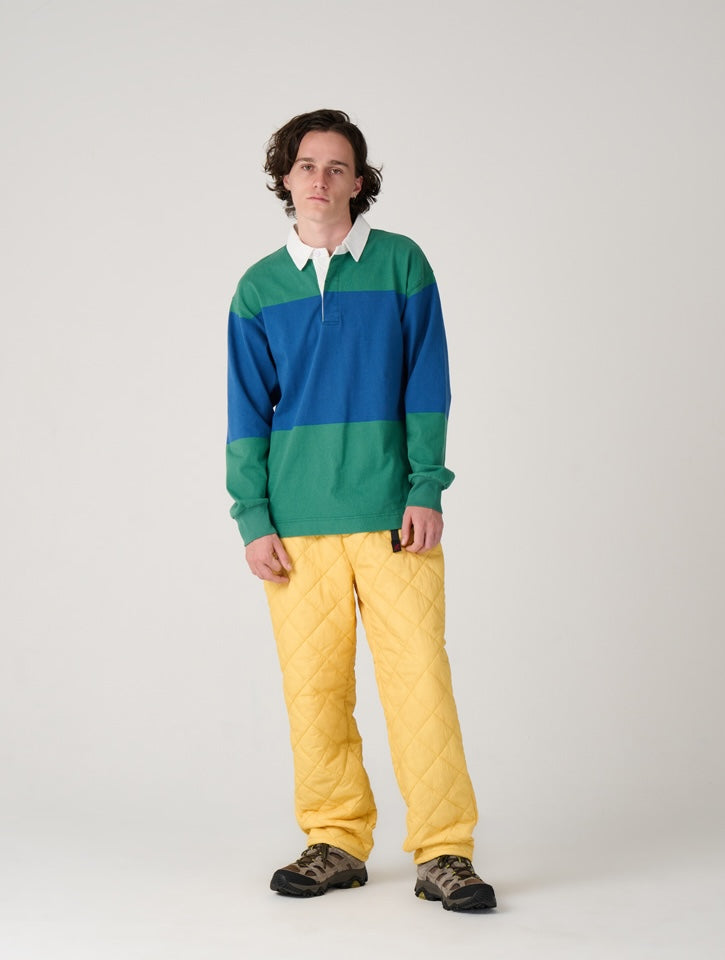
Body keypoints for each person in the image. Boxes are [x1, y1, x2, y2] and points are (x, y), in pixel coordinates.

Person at [226, 109, 496, 912]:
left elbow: (428, 381)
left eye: (337, 167)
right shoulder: (257, 289)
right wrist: (253, 517)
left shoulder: (402, 264)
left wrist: (425, 486)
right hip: (296, 528)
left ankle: (444, 851)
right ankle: (336, 840)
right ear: (285, 177)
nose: (321, 180)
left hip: (392, 520)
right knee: (313, 692)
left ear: (359, 180)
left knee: (420, 683)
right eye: (307, 165)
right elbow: (247, 411)